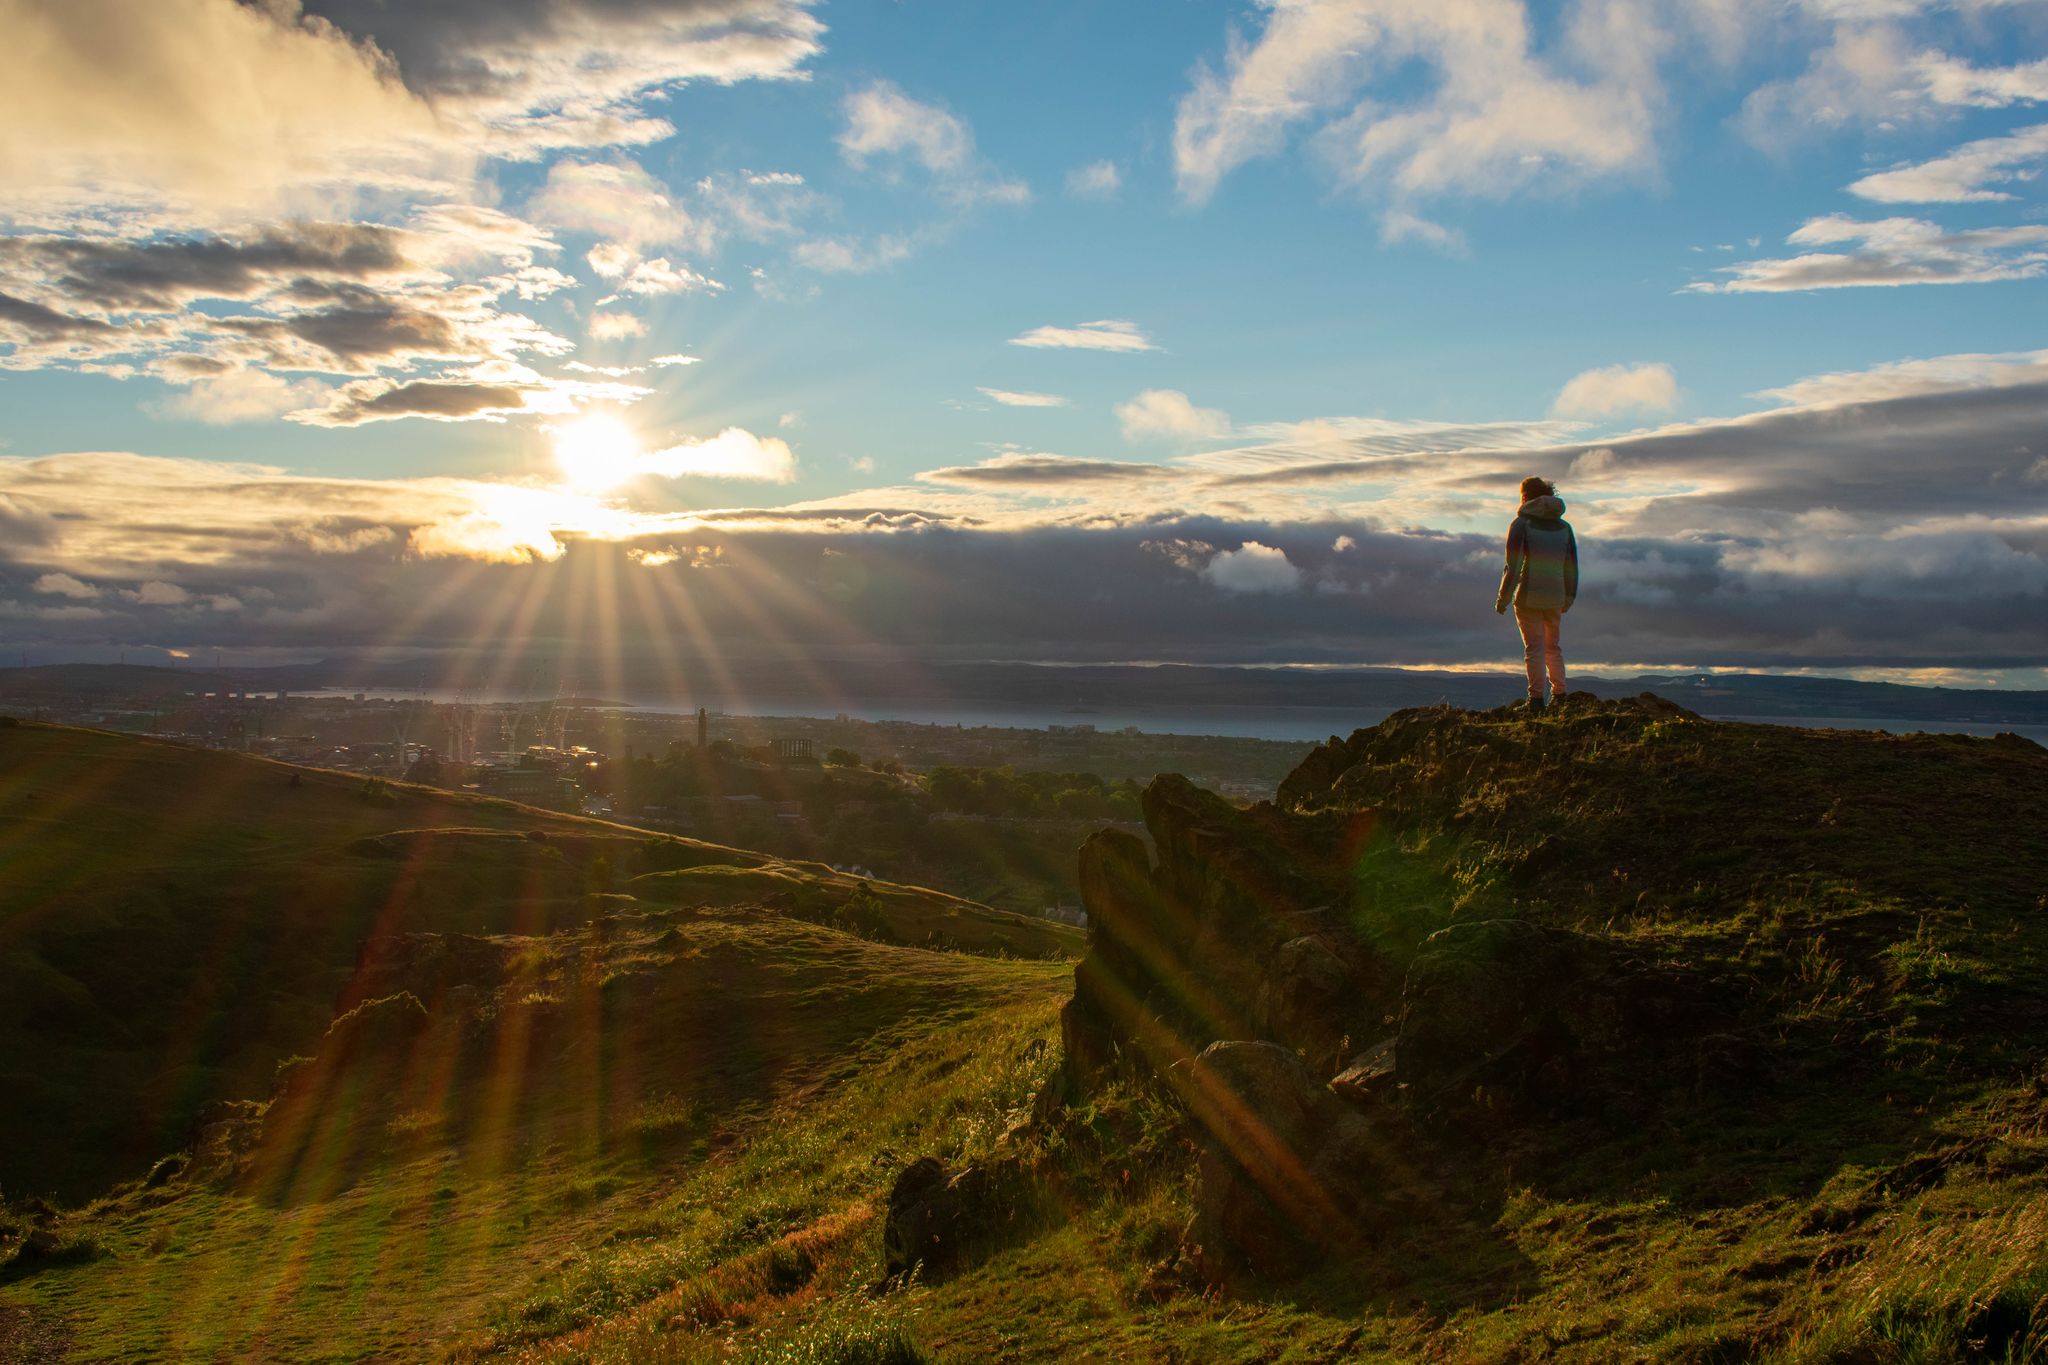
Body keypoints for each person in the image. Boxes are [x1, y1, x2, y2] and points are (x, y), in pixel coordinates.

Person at [1495, 476, 1578, 711]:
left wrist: (1503, 598)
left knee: (1534, 648)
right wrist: (1570, 595)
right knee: (1553, 646)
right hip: (1557, 596)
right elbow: (1571, 563)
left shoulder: (1521, 524)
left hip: (1528, 595)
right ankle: (1560, 696)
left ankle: (1536, 700)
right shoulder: (1564, 527)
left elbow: (1512, 566)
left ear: (1525, 496)